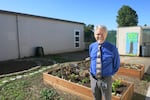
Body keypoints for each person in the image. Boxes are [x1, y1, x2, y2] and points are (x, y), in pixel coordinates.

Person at [89, 25, 120, 100]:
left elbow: (116, 65)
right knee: (96, 97)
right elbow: (92, 59)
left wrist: (107, 74)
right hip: (93, 79)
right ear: (94, 34)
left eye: (102, 34)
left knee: (107, 98)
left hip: (105, 79)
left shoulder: (112, 49)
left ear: (106, 34)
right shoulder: (92, 46)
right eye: (98, 34)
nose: (100, 36)